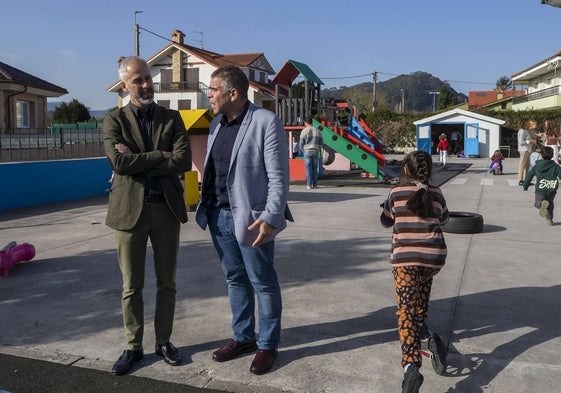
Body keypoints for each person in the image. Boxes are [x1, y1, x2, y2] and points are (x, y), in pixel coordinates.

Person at [195, 65, 293, 375]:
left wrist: (271, 217)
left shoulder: (266, 121)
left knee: (263, 283)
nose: (208, 95)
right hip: (218, 215)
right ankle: (243, 337)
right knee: (234, 279)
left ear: (233, 93)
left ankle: (267, 345)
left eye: (213, 89)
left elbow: (279, 177)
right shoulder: (215, 125)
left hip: (252, 220)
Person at [103, 56, 192, 376]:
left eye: (147, 78)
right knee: (131, 286)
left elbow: (183, 161)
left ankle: (164, 341)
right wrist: (160, 155)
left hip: (165, 210)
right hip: (129, 214)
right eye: (137, 80)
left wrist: (139, 159)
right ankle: (133, 346)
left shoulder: (172, 118)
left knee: (167, 282)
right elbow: (119, 164)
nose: (145, 84)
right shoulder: (113, 120)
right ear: (124, 86)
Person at [380, 150, 449, 393]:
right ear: (428, 172)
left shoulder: (396, 192)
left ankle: (411, 366)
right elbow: (444, 220)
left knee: (405, 312)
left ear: (406, 170)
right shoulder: (437, 193)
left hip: (406, 259)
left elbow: (387, 219)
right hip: (433, 258)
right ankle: (422, 324)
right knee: (420, 292)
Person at [523, 146, 561, 226]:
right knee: (550, 204)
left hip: (540, 189)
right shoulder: (555, 166)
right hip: (552, 189)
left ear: (541, 155)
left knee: (537, 203)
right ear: (552, 155)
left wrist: (525, 185)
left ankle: (541, 205)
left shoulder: (536, 166)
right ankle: (549, 220)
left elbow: (529, 175)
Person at [299, 116, 324, 189]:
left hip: (307, 151)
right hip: (315, 151)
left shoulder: (304, 131)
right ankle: (315, 184)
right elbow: (321, 142)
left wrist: (302, 149)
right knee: (315, 168)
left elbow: (301, 143)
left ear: (306, 122)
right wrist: (319, 149)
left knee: (308, 168)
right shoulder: (317, 130)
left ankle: (309, 185)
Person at [517, 118, 535, 186]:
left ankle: (526, 180)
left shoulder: (526, 130)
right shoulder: (522, 131)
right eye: (528, 122)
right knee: (522, 165)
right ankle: (520, 180)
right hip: (524, 150)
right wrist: (529, 141)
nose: (529, 124)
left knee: (527, 166)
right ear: (525, 123)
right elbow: (521, 142)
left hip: (527, 150)